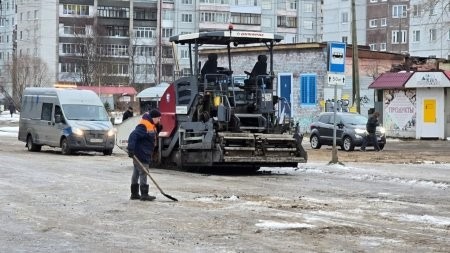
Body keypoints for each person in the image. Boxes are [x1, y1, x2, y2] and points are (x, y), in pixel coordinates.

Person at [127, 109, 161, 201]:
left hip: (142, 152)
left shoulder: (151, 124)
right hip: (142, 153)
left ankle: (134, 194)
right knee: (144, 172)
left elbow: (149, 136)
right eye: (158, 118)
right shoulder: (144, 125)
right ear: (153, 118)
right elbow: (133, 135)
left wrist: (158, 128)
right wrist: (130, 149)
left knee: (136, 172)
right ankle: (144, 194)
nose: (159, 120)